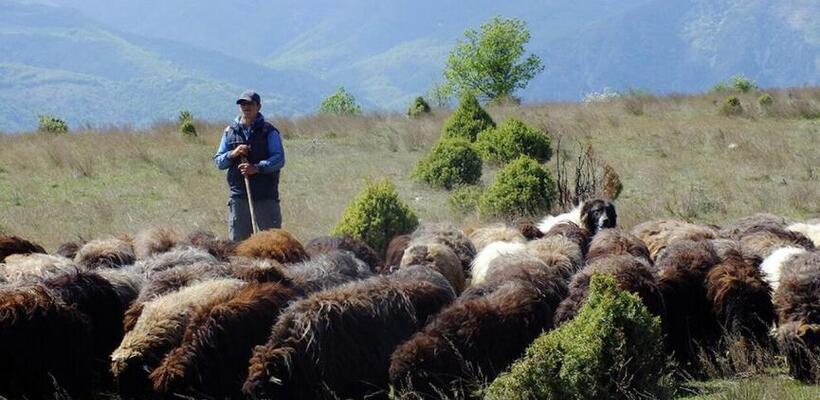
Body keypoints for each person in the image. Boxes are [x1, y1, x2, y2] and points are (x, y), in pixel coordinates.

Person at [214, 90, 285, 241]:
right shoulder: (229, 132)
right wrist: (233, 153)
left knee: (272, 243)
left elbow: (279, 159)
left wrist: (257, 168)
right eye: (242, 104)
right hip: (239, 196)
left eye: (250, 104)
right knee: (239, 245)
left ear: (258, 106)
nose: (246, 107)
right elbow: (219, 162)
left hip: (265, 196)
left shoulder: (269, 131)